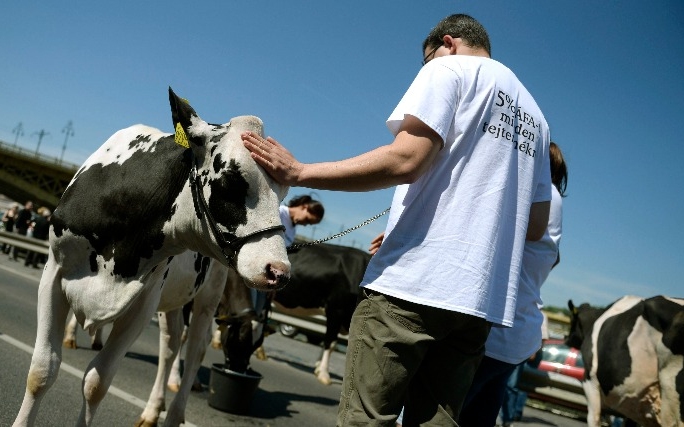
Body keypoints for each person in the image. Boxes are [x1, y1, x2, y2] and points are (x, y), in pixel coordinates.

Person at [242, 13, 552, 426]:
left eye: (427, 61)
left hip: (415, 286)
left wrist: (300, 172)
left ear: (448, 42)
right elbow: (534, 226)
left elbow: (406, 159)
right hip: (479, 303)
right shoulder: (537, 118)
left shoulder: (448, 69)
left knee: (366, 419)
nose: (426, 70)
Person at [458, 141, 568, 427]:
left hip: (494, 334)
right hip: (518, 335)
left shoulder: (539, 196)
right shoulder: (554, 205)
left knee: (432, 414)